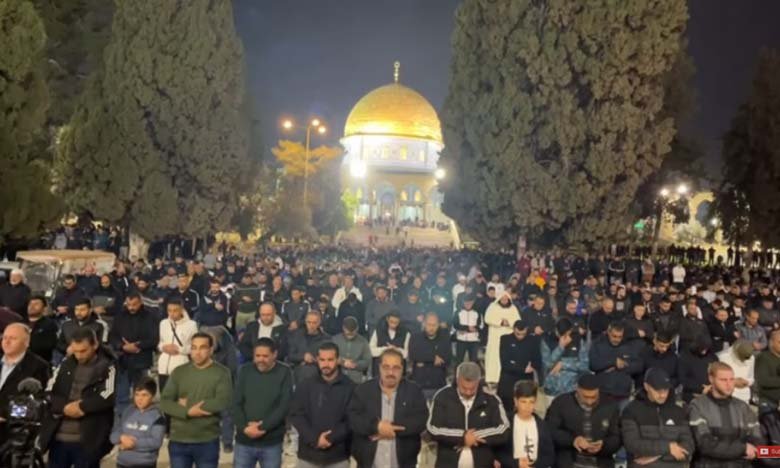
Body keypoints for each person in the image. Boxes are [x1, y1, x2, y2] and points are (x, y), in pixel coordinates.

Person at [40, 327, 117, 468]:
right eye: (75, 351)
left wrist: (82, 407)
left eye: (83, 351)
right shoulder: (65, 364)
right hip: (58, 438)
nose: (79, 355)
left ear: (95, 345)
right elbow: (48, 392)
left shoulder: (108, 366)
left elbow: (108, 396)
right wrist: (64, 407)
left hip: (88, 440)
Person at [159, 332, 233, 468]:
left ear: (211, 350)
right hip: (179, 440)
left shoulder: (221, 373)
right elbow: (165, 402)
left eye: (202, 347)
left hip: (206, 440)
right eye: (193, 348)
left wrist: (186, 404)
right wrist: (187, 412)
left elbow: (222, 401)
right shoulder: (179, 372)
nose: (197, 352)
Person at [348, 347, 428, 467]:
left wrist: (389, 430)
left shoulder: (414, 391)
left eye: (396, 368)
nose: (390, 373)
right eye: (386, 367)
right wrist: (377, 426)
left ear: (402, 369)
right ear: (379, 367)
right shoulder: (363, 390)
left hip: (404, 463)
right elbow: (353, 418)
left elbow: (421, 420)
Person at [427, 361, 510, 467]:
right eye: (464, 388)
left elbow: (504, 428)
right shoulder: (442, 397)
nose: (468, 392)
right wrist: (462, 437)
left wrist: (474, 436)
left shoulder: (491, 399)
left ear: (478, 382)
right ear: (457, 380)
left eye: (472, 388)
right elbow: (432, 428)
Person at [289, 342, 355, 468]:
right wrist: (315, 439)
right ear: (317, 360)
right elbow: (296, 415)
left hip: (338, 457)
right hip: (307, 456)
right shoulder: (305, 385)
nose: (326, 364)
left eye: (330, 360)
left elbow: (352, 419)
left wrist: (330, 438)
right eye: (322, 360)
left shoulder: (350, 387)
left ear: (338, 360)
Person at [232, 338, 293, 468]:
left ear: (275, 354)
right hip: (244, 440)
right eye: (257, 356)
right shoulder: (244, 371)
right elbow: (236, 403)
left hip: (271, 442)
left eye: (265, 356)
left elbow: (284, 405)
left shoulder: (285, 372)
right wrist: (245, 428)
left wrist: (263, 427)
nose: (261, 360)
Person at [689, 361, 763, 467]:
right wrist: (743, 448)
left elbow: (757, 438)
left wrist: (754, 449)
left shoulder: (742, 407)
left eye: (732, 379)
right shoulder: (698, 406)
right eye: (723, 380)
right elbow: (705, 445)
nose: (729, 384)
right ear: (711, 379)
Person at [544, 373, 621, 468]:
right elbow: (550, 430)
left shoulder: (610, 405)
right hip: (568, 461)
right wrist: (573, 440)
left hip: (600, 462)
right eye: (585, 397)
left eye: (593, 397)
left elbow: (617, 437)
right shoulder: (561, 403)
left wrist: (603, 445)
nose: (590, 401)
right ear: (577, 389)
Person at [621, 368, 694, 467]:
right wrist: (668, 448)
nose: (663, 395)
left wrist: (657, 456)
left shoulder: (679, 411)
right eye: (658, 390)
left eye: (666, 390)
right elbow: (632, 444)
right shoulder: (631, 410)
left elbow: (688, 446)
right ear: (646, 386)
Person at [110, 293, 159, 416]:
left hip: (141, 360)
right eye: (129, 304)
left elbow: (154, 338)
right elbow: (113, 336)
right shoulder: (120, 316)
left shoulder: (150, 317)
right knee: (122, 395)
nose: (131, 307)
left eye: (134, 305)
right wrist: (123, 346)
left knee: (142, 393)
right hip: (123, 360)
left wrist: (138, 346)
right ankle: (122, 418)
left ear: (140, 303)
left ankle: (141, 417)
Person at [0, 323, 50, 440]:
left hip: (12, 434)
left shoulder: (38, 366)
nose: (6, 342)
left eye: (13, 338)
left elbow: (34, 404)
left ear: (26, 343)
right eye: (5, 337)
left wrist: (4, 415)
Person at [109, 376, 166, 468]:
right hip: (122, 463)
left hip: (144, 464)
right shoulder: (128, 411)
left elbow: (156, 442)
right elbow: (114, 434)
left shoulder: (157, 416)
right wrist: (121, 437)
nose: (140, 399)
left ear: (152, 396)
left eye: (144, 395)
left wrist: (132, 444)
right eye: (137, 394)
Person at [496, 380, 555, 468]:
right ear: (515, 401)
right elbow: (498, 452)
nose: (527, 406)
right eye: (523, 402)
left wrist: (534, 465)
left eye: (531, 402)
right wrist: (516, 463)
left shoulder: (542, 425)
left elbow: (549, 456)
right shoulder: (506, 422)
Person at [589, 321, 643, 405]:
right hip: (603, 393)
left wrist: (621, 366)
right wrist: (613, 362)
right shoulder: (597, 344)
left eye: (619, 337)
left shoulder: (629, 346)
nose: (617, 339)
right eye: (614, 336)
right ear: (608, 333)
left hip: (623, 394)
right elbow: (593, 364)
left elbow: (639, 366)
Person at [498, 320, 542, 415]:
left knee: (524, 411)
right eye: (518, 334)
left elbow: (537, 360)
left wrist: (532, 367)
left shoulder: (533, 341)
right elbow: (505, 363)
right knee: (506, 412)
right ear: (514, 329)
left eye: (523, 334)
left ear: (526, 330)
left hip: (525, 382)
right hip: (508, 382)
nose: (520, 336)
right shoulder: (505, 339)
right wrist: (522, 369)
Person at [541, 317, 589, 400]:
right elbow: (547, 365)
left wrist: (564, 364)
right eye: (562, 334)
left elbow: (585, 365)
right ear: (556, 330)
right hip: (552, 390)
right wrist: (560, 347)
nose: (566, 337)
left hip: (572, 390)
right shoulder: (546, 341)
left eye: (568, 333)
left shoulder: (578, 340)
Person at [157, 298, 198, 394]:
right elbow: (160, 343)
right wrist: (163, 347)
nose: (172, 313)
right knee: (164, 396)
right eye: (169, 310)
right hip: (163, 367)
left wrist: (179, 349)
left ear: (182, 310)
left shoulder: (191, 325)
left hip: (180, 365)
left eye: (175, 310)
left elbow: (194, 347)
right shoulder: (163, 323)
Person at [408, 313, 451, 399]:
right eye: (429, 324)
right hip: (419, 384)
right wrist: (433, 358)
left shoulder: (444, 337)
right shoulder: (416, 337)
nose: (431, 328)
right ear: (424, 324)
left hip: (438, 383)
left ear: (438, 325)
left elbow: (447, 358)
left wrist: (423, 359)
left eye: (434, 325)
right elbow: (413, 355)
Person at [485, 290, 521, 385]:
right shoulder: (492, 306)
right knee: (494, 357)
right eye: (503, 299)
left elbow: (517, 321)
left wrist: (509, 322)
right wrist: (500, 322)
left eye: (506, 299)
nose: (504, 300)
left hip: (508, 335)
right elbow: (487, 318)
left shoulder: (513, 308)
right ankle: (492, 378)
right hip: (495, 336)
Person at [287, 310, 331, 384]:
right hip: (298, 372)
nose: (311, 325)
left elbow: (329, 360)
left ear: (319, 323)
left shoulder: (326, 339)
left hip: (317, 374)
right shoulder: (297, 335)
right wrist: (303, 357)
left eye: (314, 323)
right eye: (309, 322)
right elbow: (290, 355)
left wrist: (314, 360)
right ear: (305, 322)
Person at [369, 310, 410, 376]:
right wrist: (386, 349)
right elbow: (371, 350)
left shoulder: (406, 333)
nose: (393, 324)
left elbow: (407, 353)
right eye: (391, 322)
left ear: (399, 321)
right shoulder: (378, 331)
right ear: (387, 319)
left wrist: (396, 350)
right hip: (380, 369)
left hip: (397, 370)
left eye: (396, 322)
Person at [331, 316, 371, 383]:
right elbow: (330, 357)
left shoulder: (363, 342)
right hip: (337, 377)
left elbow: (367, 361)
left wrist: (355, 364)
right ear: (343, 328)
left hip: (356, 379)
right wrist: (342, 362)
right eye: (348, 334)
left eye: (352, 334)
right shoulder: (335, 340)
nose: (350, 336)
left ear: (357, 328)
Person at [718, 339, 755, 405]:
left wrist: (747, 382)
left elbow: (751, 378)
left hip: (744, 397)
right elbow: (717, 379)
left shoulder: (751, 358)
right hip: (728, 396)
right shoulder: (723, 357)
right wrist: (734, 381)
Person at [25, 294, 59, 363]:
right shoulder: (20, 322)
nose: (32, 306)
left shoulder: (49, 325)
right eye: (30, 304)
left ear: (44, 308)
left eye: (36, 304)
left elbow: (49, 344)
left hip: (39, 362)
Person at [453, 293, 482, 364]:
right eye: (466, 302)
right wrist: (467, 328)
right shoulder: (458, 312)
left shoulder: (477, 312)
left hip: (474, 340)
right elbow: (455, 324)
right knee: (459, 361)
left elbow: (481, 325)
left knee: (473, 361)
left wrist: (475, 328)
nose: (468, 304)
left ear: (473, 302)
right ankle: (457, 375)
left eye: (470, 302)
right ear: (463, 302)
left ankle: (473, 375)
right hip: (461, 339)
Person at [756, 329, 780, 413]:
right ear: (772, 343)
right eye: (779, 342)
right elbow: (763, 380)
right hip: (769, 403)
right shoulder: (763, 357)